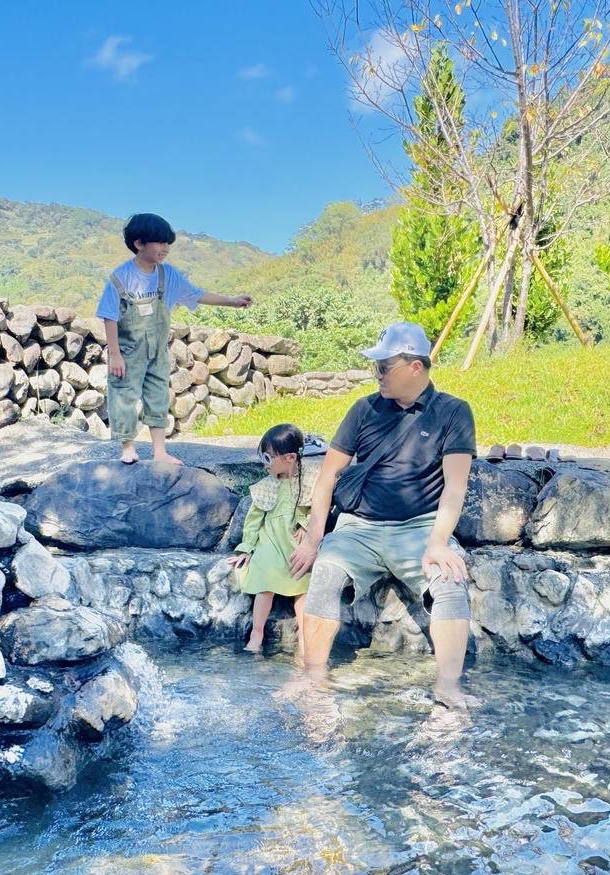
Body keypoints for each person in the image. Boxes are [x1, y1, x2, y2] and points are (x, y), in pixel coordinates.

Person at [288, 321, 476, 706]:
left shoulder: (453, 412)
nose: (376, 376)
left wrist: (439, 542)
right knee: (324, 570)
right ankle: (313, 679)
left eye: (383, 367)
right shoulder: (364, 409)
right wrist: (313, 540)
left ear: (415, 367)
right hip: (359, 526)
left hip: (420, 526)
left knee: (450, 579)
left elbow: (455, 487)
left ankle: (448, 688)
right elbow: (327, 477)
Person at [97, 213, 254, 466]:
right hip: (127, 351)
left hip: (157, 350)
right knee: (124, 396)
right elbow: (109, 316)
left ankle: (160, 452)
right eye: (159, 243)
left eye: (167, 243)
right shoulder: (121, 277)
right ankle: (127, 447)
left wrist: (232, 301)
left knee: (158, 396)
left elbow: (196, 293)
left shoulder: (167, 275)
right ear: (139, 243)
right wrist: (114, 353)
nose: (165, 249)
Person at [228, 424, 322, 654]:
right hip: (271, 540)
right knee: (265, 584)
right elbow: (254, 520)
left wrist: (306, 527)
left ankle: (305, 639)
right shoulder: (267, 486)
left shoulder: (309, 480)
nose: (264, 463)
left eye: (268, 457)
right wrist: (247, 547)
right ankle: (256, 632)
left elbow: (317, 510)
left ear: (290, 457)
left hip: (294, 542)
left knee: (303, 586)